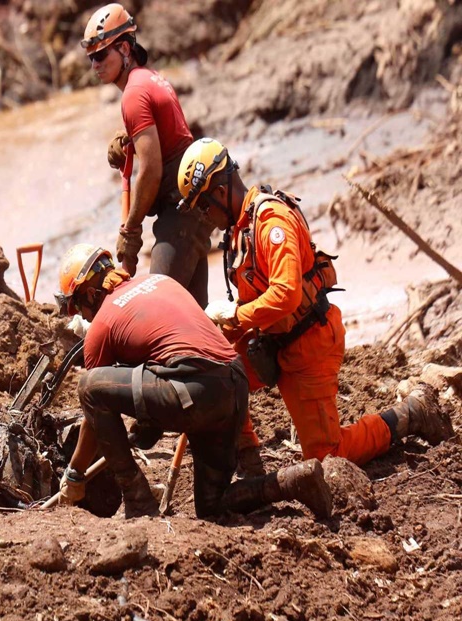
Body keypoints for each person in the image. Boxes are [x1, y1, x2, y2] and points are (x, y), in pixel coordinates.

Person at [177, 137, 453, 466]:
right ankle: (247, 456)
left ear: (220, 192)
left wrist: (236, 315)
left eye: (203, 207)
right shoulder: (241, 229)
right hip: (274, 340)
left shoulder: (270, 223)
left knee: (327, 455)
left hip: (309, 344)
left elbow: (286, 293)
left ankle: (411, 414)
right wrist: (219, 336)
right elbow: (258, 300)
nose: (205, 218)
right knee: (217, 373)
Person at [54, 243, 335, 520]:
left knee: (88, 385)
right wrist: (149, 422)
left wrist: (75, 474)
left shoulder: (102, 324)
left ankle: (138, 500)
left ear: (91, 294)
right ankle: (294, 481)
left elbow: (94, 411)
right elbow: (162, 355)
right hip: (234, 385)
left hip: (196, 390)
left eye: (79, 309)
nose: (84, 317)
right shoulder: (159, 281)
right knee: (213, 504)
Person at [81, 4, 213, 306]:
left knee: (160, 307)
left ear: (125, 48)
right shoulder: (150, 79)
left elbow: (151, 169)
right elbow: (169, 139)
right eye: (91, 58)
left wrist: (130, 231)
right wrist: (130, 139)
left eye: (101, 55)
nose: (94, 65)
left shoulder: (133, 94)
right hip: (193, 205)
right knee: (193, 314)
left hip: (180, 210)